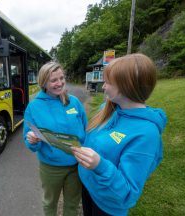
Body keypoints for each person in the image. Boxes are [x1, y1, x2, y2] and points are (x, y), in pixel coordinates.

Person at [71, 53, 167, 216]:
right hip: (89, 188)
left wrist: (99, 166)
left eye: (108, 82)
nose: (103, 87)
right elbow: (92, 140)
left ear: (127, 86)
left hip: (108, 206)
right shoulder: (108, 108)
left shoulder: (146, 134)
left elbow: (128, 193)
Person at [23, 61, 88, 216]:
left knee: (72, 204)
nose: (59, 83)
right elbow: (28, 137)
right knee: (49, 203)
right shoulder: (34, 107)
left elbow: (85, 130)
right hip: (51, 168)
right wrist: (32, 140)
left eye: (62, 78)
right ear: (44, 82)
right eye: (54, 80)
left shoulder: (74, 102)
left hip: (76, 165)